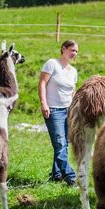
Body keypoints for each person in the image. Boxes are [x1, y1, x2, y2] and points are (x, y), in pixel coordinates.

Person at [39, 40, 78, 186]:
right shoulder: (52, 64)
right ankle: (71, 176)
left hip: (68, 110)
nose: (74, 53)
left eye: (76, 51)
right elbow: (42, 83)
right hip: (54, 110)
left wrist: (74, 110)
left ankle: (56, 174)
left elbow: (72, 92)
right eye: (72, 50)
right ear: (63, 49)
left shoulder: (73, 71)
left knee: (64, 144)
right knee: (60, 143)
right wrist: (44, 103)